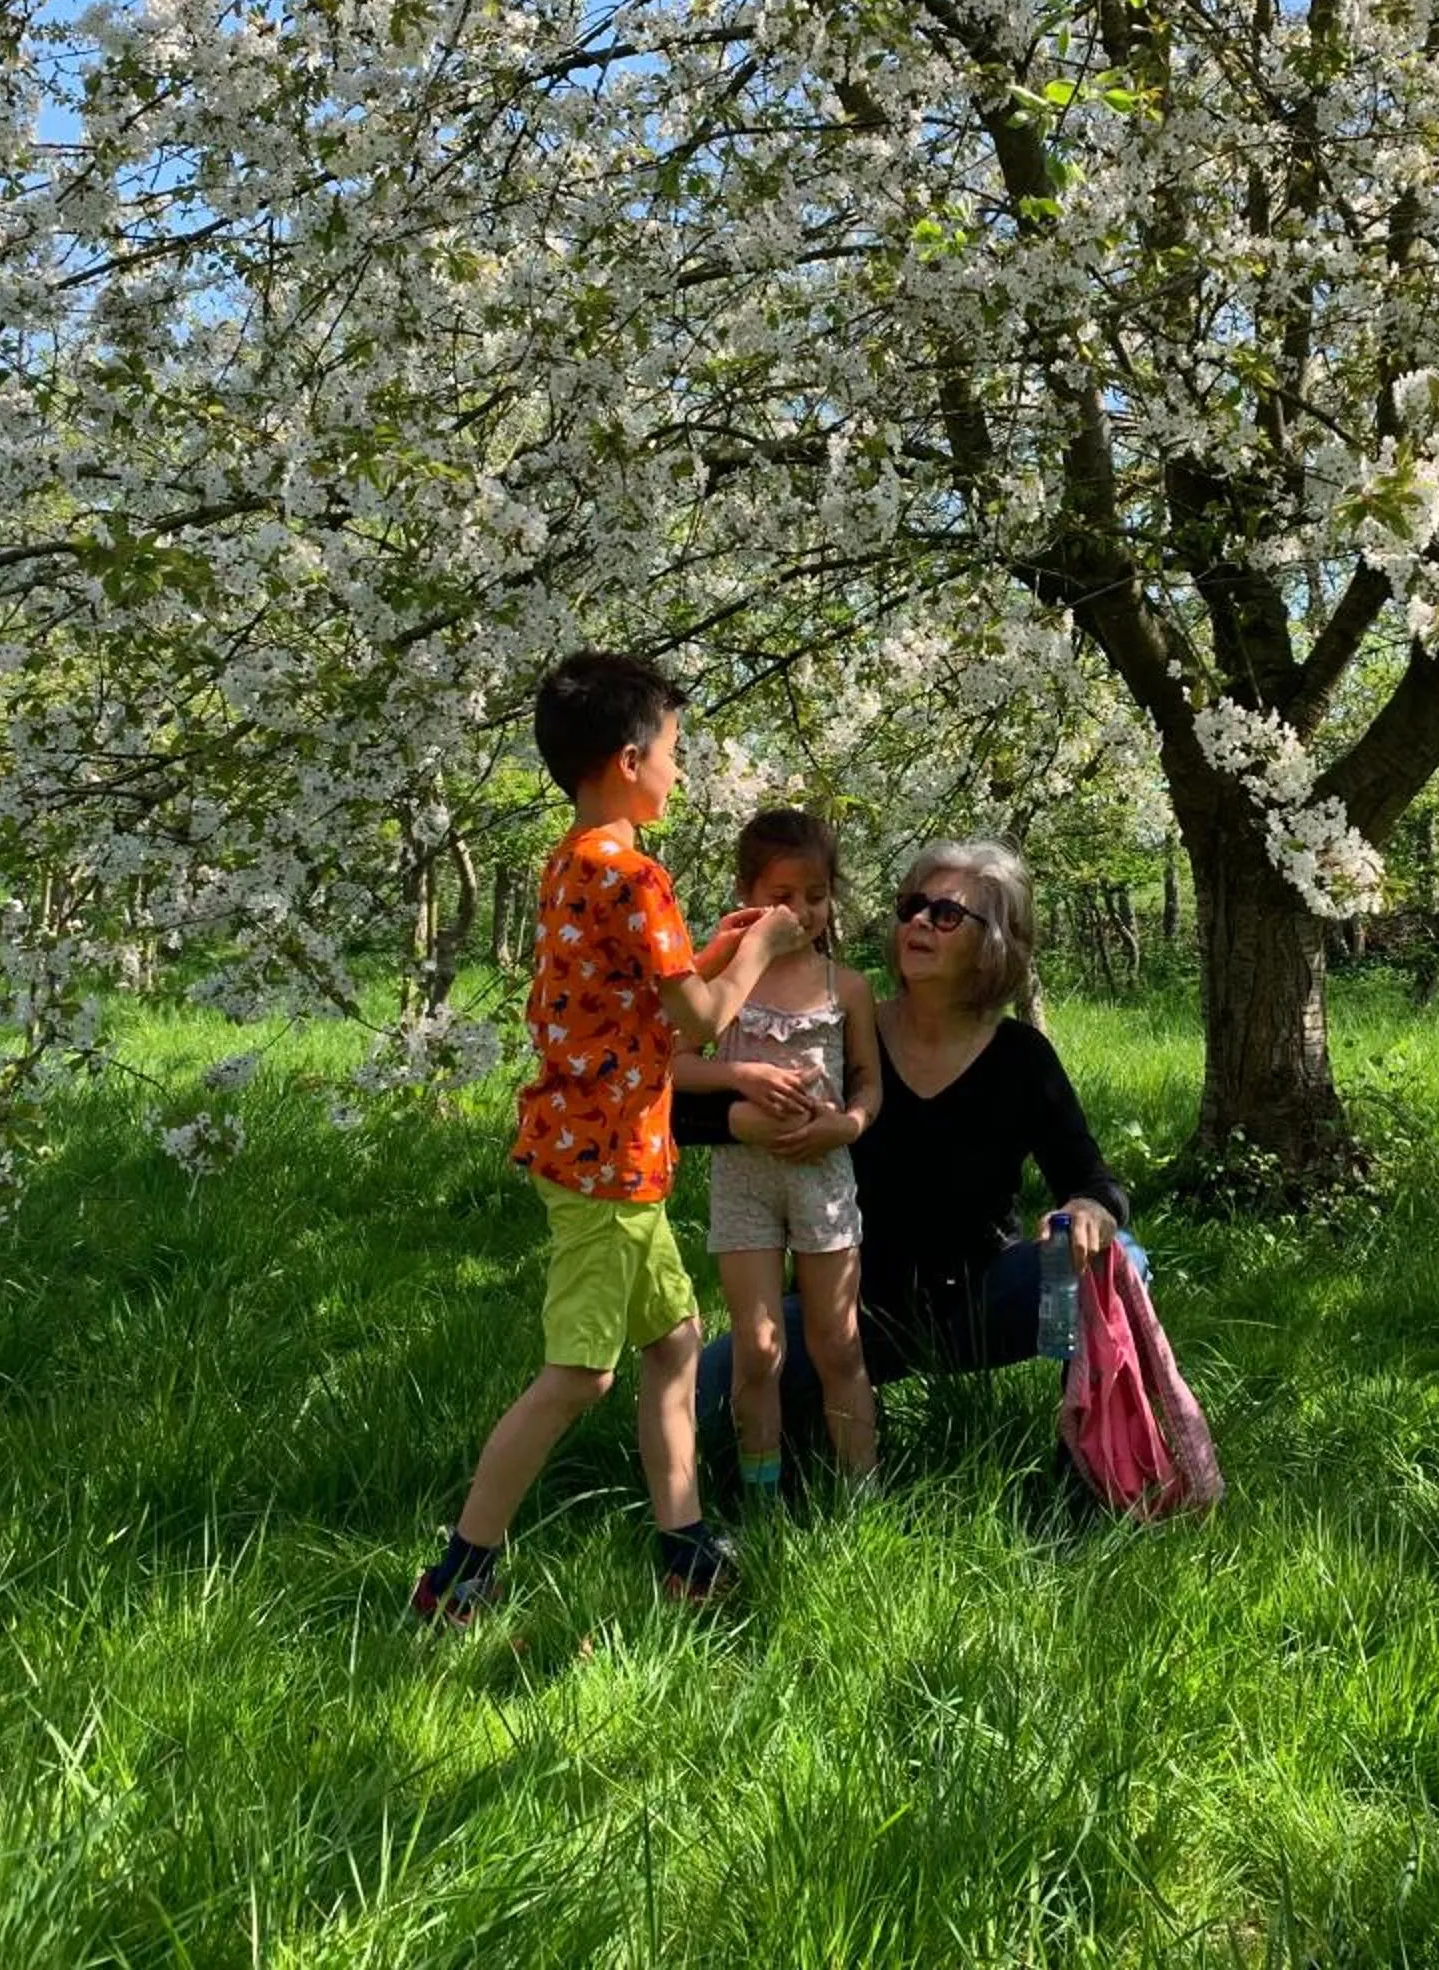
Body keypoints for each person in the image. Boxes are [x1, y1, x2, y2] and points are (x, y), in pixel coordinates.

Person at [409, 652, 808, 1625]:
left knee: (674, 1343)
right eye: (674, 751)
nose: (680, 770)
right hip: (605, 1164)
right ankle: (459, 1574)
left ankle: (685, 1551)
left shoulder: (574, 860)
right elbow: (705, 1021)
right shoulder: (631, 871)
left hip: (597, 1146)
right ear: (630, 759)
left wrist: (717, 942)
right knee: (580, 1373)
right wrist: (764, 943)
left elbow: (645, 1006)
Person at [678, 838, 1133, 1463]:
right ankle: (802, 1465)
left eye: (946, 915)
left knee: (1114, 1264)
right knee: (704, 1400)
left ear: (991, 942)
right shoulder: (841, 1024)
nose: (919, 921)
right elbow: (674, 1109)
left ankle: (1089, 1468)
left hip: (981, 1300)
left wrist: (1087, 1212)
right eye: (912, 907)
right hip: (847, 1307)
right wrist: (742, 1120)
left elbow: (1092, 1179)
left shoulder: (1022, 1058)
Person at [673, 808, 883, 1498]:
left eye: (816, 896)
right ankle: (759, 1491)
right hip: (743, 1181)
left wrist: (846, 1127)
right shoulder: (724, 980)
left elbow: (868, 1087)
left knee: (837, 1343)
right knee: (758, 1349)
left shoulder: (845, 987)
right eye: (780, 897)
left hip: (823, 1179)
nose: (800, 912)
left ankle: (861, 1493)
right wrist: (742, 1075)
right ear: (747, 895)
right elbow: (673, 1065)